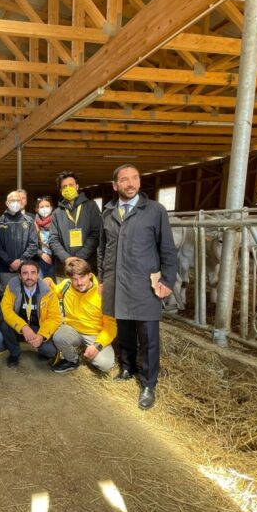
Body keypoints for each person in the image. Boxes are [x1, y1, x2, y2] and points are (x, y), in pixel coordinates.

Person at [98, 164, 178, 410]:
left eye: (134, 179)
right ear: (115, 185)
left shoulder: (155, 211)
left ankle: (148, 383)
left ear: (140, 183)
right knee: (125, 332)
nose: (130, 183)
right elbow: (103, 249)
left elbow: (167, 249)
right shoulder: (108, 212)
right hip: (117, 282)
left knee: (148, 336)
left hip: (145, 284)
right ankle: (127, 368)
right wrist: (102, 279)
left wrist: (168, 280)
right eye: (124, 180)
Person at [51, 257, 116, 375]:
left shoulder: (102, 293)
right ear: (70, 279)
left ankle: (89, 350)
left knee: (106, 365)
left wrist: (97, 346)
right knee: (58, 336)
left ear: (89, 275)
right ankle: (72, 360)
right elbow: (52, 294)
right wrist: (46, 282)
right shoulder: (66, 286)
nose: (79, 283)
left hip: (94, 334)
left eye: (82, 277)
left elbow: (111, 327)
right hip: (72, 329)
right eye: (75, 279)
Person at [0, 260, 60, 366]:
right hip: (19, 328)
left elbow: (54, 318)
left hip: (39, 328)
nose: (29, 276)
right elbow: (5, 310)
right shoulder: (12, 287)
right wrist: (23, 327)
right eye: (25, 273)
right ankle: (15, 352)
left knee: (50, 351)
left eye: (33, 272)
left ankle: (41, 350)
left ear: (38, 274)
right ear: (19, 275)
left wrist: (41, 335)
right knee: (3, 324)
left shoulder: (48, 291)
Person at [48, 171, 103, 273]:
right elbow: (53, 239)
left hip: (87, 265)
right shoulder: (57, 213)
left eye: (71, 185)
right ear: (60, 190)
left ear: (77, 186)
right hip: (64, 267)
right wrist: (66, 258)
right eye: (64, 186)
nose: (68, 188)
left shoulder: (91, 206)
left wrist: (78, 258)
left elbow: (96, 234)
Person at [0, 190, 38, 287]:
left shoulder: (29, 222)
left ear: (21, 203)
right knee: (7, 297)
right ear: (7, 203)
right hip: (5, 269)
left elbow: (33, 244)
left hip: (25, 268)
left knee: (25, 297)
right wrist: (9, 262)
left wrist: (21, 261)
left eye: (18, 200)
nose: (15, 203)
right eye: (12, 200)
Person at [35, 196, 56, 280]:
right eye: (41, 207)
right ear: (37, 209)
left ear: (51, 208)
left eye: (47, 206)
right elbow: (31, 243)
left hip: (55, 260)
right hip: (39, 260)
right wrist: (41, 254)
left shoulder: (57, 221)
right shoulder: (33, 223)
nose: (44, 209)